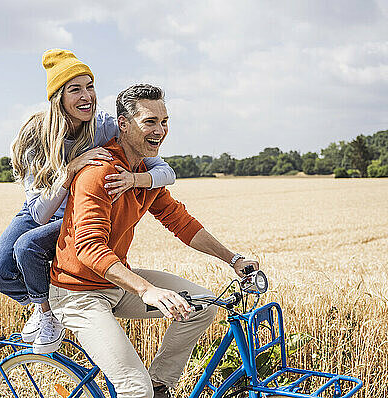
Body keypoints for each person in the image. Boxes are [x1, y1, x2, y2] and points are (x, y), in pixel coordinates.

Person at [48, 83, 260, 398]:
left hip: (115, 284)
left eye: (164, 121)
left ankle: (160, 384)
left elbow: (182, 223)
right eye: (150, 122)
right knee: (135, 389)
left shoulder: (144, 174)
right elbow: (89, 249)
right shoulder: (99, 174)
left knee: (203, 305)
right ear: (123, 124)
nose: (160, 130)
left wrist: (233, 259)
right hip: (78, 293)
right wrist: (147, 290)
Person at [0, 50, 176, 354]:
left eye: (90, 86)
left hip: (78, 208)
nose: (87, 96)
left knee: (27, 247)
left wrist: (134, 180)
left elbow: (166, 172)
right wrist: (71, 169)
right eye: (75, 89)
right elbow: (40, 213)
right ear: (58, 97)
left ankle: (49, 310)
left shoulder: (105, 126)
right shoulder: (36, 136)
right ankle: (45, 307)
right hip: (44, 205)